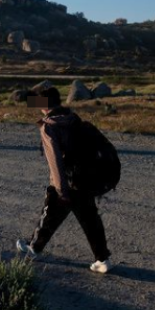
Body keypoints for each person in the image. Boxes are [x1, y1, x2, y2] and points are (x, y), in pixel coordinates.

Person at [16, 86, 112, 274]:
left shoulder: (49, 126)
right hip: (84, 179)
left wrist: (60, 189)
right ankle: (103, 259)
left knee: (50, 214)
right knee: (90, 220)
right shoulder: (73, 119)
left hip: (66, 182)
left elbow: (55, 160)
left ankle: (34, 248)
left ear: (44, 104)